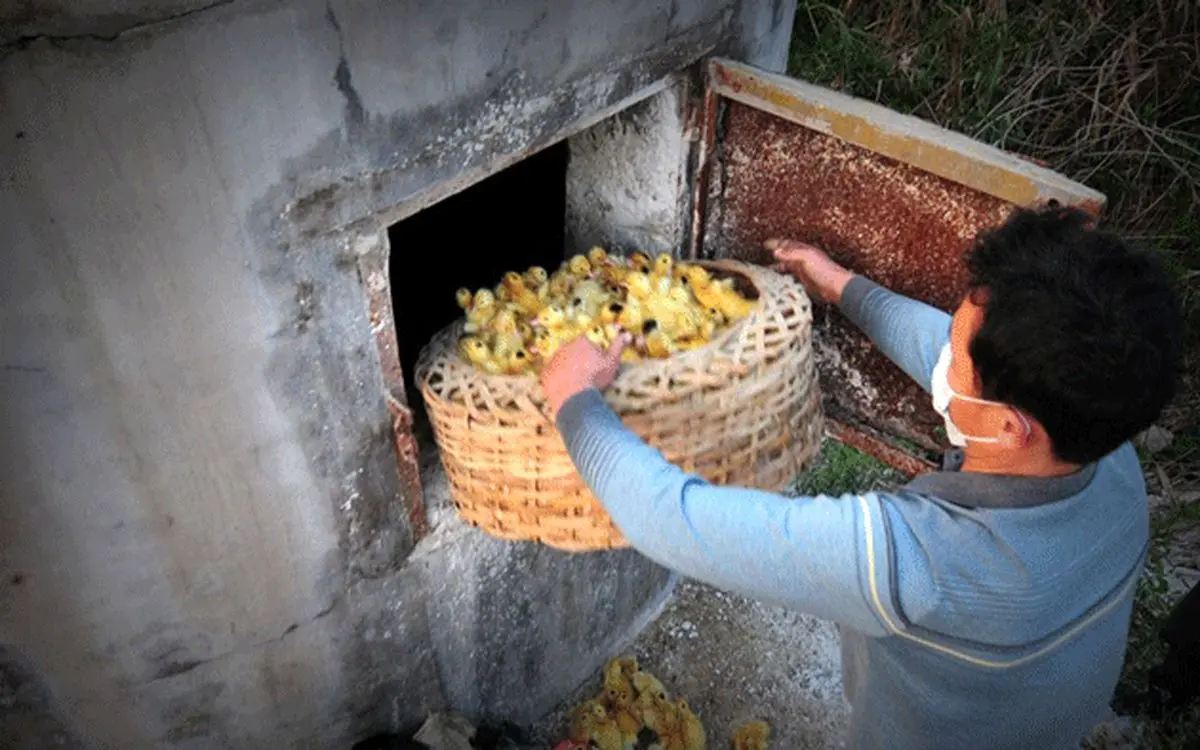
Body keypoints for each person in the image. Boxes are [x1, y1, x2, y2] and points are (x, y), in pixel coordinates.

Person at [538, 206, 1183, 750]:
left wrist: (575, 399)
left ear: (1011, 428)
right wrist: (841, 285)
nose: (944, 358)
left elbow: (672, 521)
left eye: (959, 356)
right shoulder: (1109, 456)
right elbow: (938, 349)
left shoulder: (925, 566)